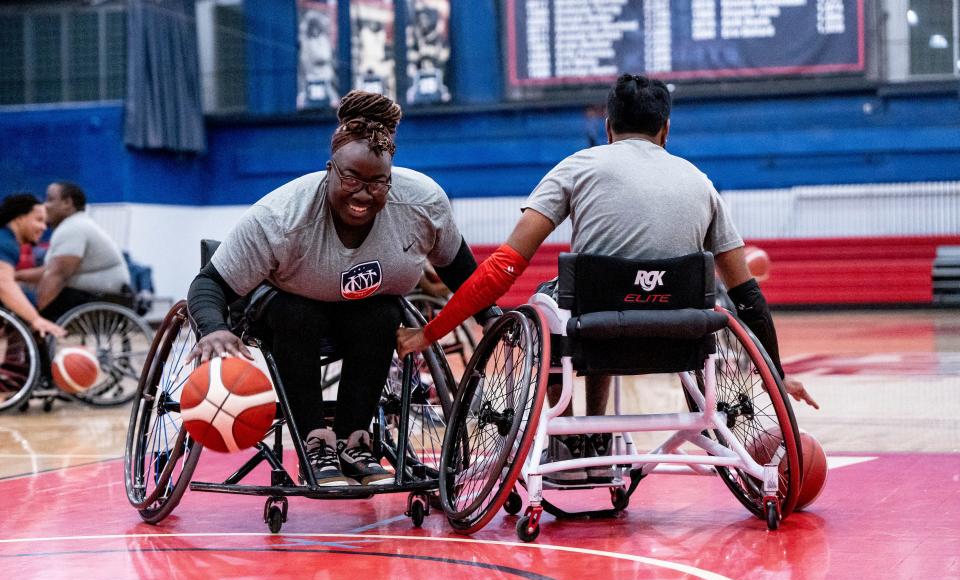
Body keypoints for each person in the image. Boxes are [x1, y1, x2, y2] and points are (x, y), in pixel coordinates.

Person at [397, 73, 818, 481]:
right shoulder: (700, 182)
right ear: (666, 130)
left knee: (553, 304)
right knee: (599, 296)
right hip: (679, 338)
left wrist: (429, 333)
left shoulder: (577, 167)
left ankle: (572, 431)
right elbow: (748, 297)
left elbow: (504, 267)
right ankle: (596, 434)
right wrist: (777, 375)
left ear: (608, 128)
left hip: (597, 327)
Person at [187, 90, 488, 487]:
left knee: (383, 314)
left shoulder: (423, 203)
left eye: (378, 183)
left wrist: (492, 317)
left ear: (391, 179)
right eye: (351, 178)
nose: (363, 192)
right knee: (299, 313)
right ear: (330, 169)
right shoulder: (280, 217)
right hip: (284, 308)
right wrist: (214, 328)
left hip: (362, 311)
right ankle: (315, 442)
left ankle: (355, 441)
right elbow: (209, 282)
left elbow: (459, 269)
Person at [19, 182, 132, 321]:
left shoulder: (74, 228)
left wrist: (35, 315)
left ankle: (26, 339)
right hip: (104, 295)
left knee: (21, 302)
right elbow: (49, 270)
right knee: (19, 295)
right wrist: (15, 276)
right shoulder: (76, 225)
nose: (45, 206)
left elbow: (56, 276)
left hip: (97, 298)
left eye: (50, 199)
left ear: (67, 202)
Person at [0, 193, 65, 338]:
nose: (43, 227)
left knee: (26, 298)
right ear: (19, 218)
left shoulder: (7, 240)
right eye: (39, 220)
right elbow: (3, 284)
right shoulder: (5, 243)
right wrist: (35, 319)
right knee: (26, 301)